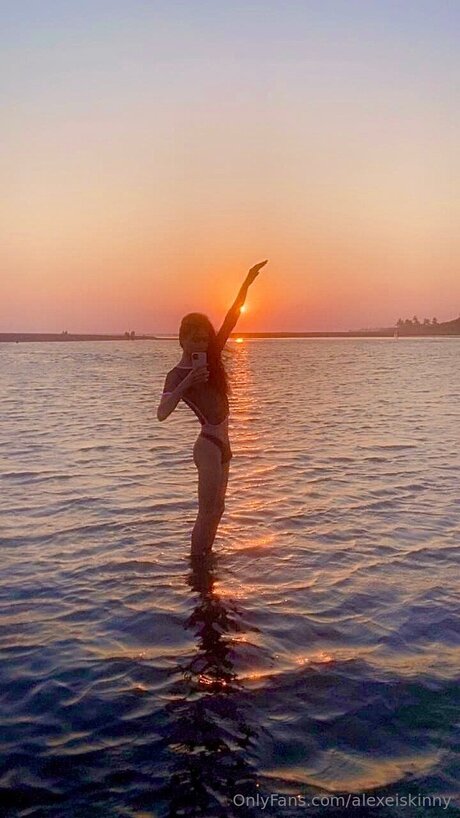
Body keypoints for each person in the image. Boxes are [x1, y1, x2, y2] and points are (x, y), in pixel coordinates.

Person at [157, 260, 268, 558]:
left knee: (219, 508)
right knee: (206, 510)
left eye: (205, 338)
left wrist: (247, 282)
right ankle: (196, 562)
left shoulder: (213, 358)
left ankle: (206, 557)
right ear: (182, 340)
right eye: (195, 338)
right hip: (207, 445)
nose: (201, 343)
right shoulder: (176, 375)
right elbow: (162, 413)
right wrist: (187, 382)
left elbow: (232, 317)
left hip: (224, 444)